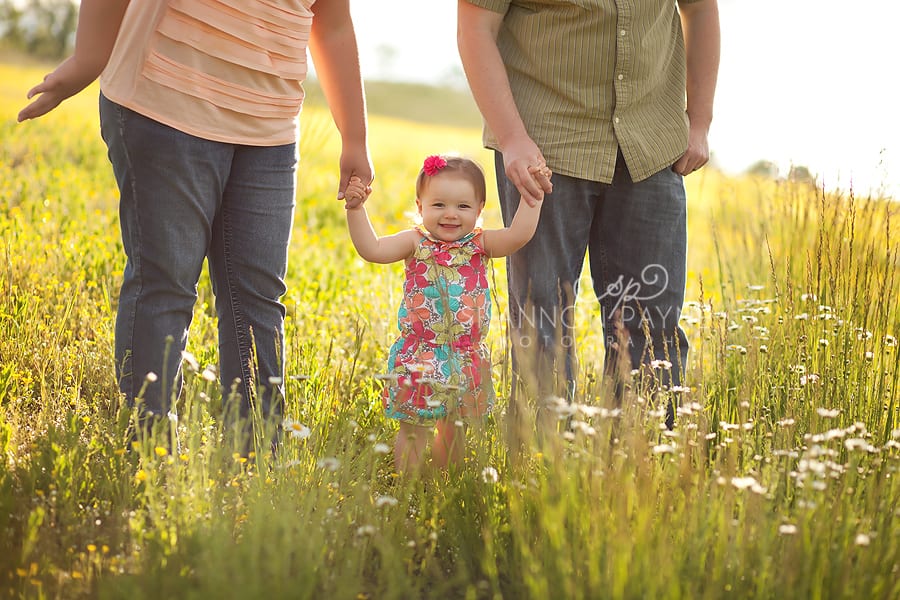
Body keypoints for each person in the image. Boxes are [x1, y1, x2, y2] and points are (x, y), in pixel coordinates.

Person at [18, 0, 373, 446]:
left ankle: (255, 452)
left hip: (268, 130)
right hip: (164, 104)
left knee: (258, 298)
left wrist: (355, 136)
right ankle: (149, 446)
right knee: (166, 283)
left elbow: (333, 22)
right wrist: (89, 57)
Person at [457, 0, 720, 432]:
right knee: (541, 316)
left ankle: (641, 456)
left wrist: (701, 121)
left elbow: (701, 9)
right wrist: (513, 138)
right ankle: (543, 463)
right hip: (544, 147)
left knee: (653, 322)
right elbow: (475, 27)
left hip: (650, 146)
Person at [343, 155, 548, 471]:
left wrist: (531, 196)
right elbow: (373, 249)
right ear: (420, 205)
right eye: (439, 205)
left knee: (455, 432)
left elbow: (518, 235)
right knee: (414, 430)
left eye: (463, 207)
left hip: (465, 358)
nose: (451, 214)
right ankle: (407, 490)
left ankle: (440, 490)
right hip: (421, 355)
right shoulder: (415, 241)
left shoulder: (480, 243)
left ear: (479, 209)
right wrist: (356, 210)